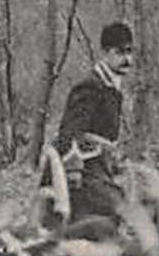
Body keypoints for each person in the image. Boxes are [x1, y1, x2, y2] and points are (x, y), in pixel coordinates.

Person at [54, 21, 135, 221]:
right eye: (121, 53)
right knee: (120, 211)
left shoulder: (111, 87)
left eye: (130, 52)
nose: (128, 59)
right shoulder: (90, 87)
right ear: (105, 53)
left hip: (104, 167)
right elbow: (69, 135)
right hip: (84, 172)